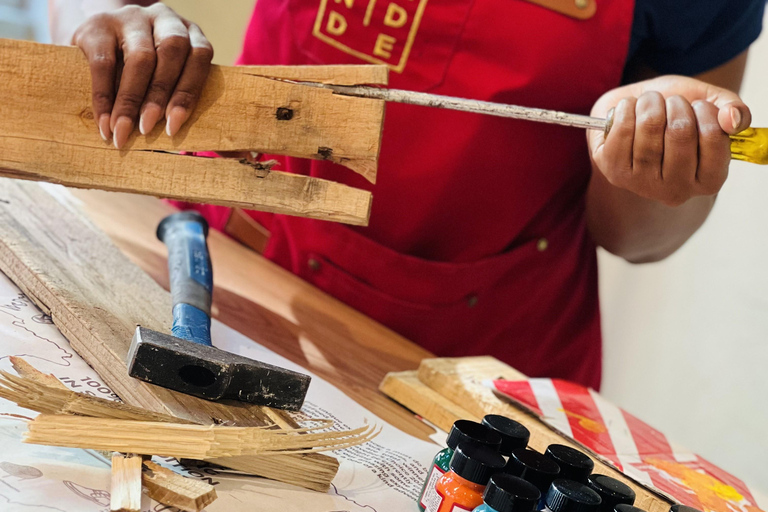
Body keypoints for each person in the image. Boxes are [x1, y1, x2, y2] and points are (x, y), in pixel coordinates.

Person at [49, 0, 765, 389]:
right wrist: (111, 20)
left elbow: (640, 238)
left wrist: (658, 161)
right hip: (231, 277)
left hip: (480, 368)